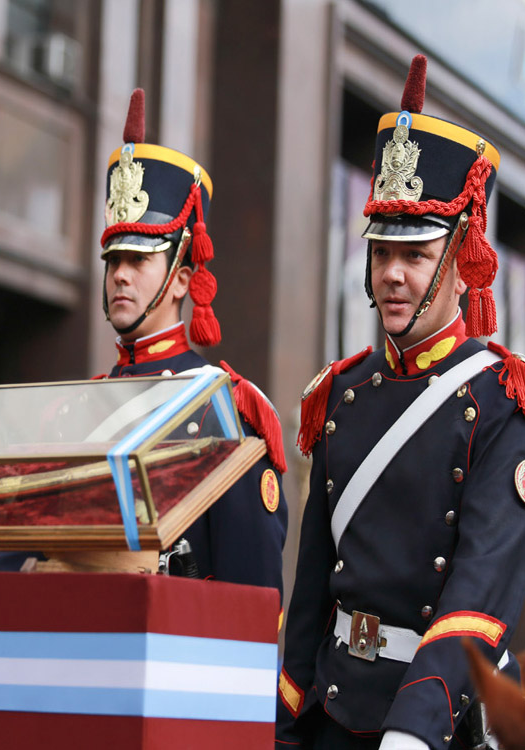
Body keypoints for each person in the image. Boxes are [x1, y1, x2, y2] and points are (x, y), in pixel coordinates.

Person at [276, 55, 525, 750]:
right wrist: (284, 724)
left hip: (434, 722)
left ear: (460, 255)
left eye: (415, 255)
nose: (391, 273)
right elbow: (310, 599)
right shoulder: (340, 395)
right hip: (333, 713)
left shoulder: (502, 399)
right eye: (381, 250)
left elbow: (478, 596)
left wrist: (411, 733)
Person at [0, 89, 288, 599]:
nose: (120, 276)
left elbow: (250, 594)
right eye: (114, 261)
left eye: (138, 261)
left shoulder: (223, 408)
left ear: (180, 279)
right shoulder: (71, 412)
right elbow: (10, 556)